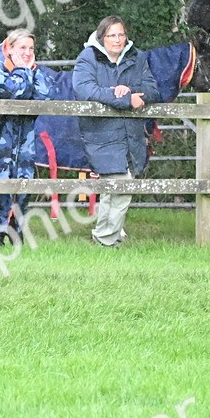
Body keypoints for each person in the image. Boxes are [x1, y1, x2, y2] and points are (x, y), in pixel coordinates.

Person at [72, 16, 160, 248]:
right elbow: (84, 89)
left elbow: (152, 89)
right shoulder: (88, 58)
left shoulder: (137, 57)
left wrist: (130, 90)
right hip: (100, 133)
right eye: (112, 35)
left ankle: (105, 234)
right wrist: (120, 97)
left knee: (115, 188)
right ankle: (106, 239)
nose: (117, 39)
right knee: (122, 184)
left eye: (121, 34)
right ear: (102, 37)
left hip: (131, 135)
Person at [0, 29, 53, 241]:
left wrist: (27, 72)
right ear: (8, 48)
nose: (28, 52)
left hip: (25, 139)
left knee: (24, 183)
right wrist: (24, 71)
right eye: (22, 48)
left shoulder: (32, 70)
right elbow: (16, 91)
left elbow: (46, 95)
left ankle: (16, 232)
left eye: (31, 48)